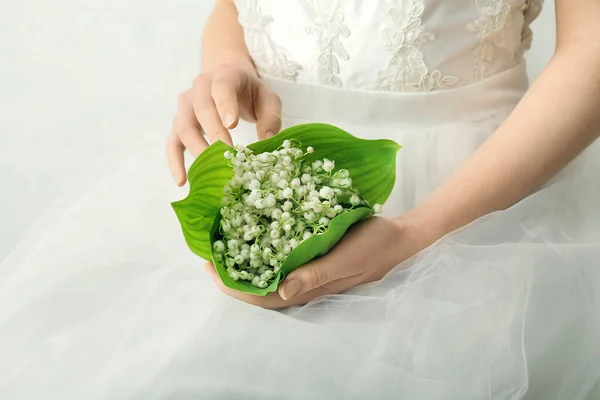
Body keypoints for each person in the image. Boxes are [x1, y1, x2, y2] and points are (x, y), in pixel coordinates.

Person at [1, 0, 599, 398]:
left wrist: (419, 234)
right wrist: (226, 68)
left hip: (474, 193)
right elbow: (238, 8)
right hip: (269, 171)